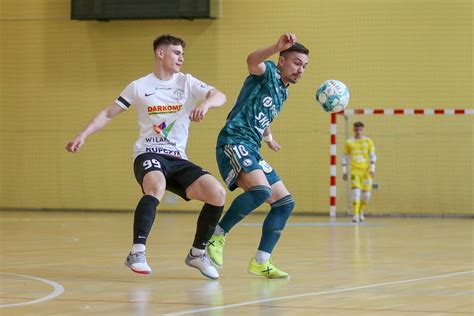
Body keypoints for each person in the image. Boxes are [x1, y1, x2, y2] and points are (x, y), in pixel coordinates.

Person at [66, 34, 227, 280]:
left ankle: (197, 253)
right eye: (176, 52)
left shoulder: (187, 82)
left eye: (183, 53)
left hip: (178, 158)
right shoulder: (139, 86)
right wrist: (83, 134)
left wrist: (205, 105)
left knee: (217, 194)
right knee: (156, 186)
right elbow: (109, 113)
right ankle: (137, 252)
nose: (181, 57)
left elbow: (220, 95)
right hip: (148, 153)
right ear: (160, 54)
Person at [206, 33, 309, 279]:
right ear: (282, 61)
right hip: (233, 140)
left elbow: (262, 115)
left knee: (284, 203)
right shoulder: (268, 72)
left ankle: (261, 261)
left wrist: (269, 138)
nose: (300, 70)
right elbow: (252, 60)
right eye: (296, 62)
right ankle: (216, 237)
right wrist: (275, 47)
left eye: (304, 66)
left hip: (252, 146)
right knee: (261, 191)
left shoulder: (284, 92)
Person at [342, 122, 376, 223]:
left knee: (366, 196)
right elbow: (344, 157)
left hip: (366, 171)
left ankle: (360, 210)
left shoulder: (368, 141)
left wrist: (372, 169)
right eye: (356, 130)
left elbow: (373, 155)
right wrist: (344, 171)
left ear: (363, 130)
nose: (358, 132)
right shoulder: (349, 142)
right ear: (354, 130)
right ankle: (355, 215)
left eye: (360, 130)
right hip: (354, 171)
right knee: (356, 192)